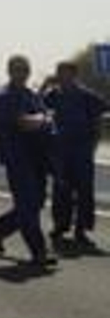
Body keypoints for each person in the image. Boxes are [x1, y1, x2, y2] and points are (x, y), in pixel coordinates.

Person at [0, 53, 57, 270]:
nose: (22, 73)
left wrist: (43, 118)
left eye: (25, 69)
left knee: (36, 202)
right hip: (18, 158)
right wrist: (43, 119)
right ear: (9, 71)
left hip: (38, 158)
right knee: (27, 205)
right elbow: (25, 123)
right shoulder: (5, 97)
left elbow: (44, 115)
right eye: (17, 69)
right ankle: (39, 252)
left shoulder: (30, 94)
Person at [42, 61, 106, 250]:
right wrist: (45, 85)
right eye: (59, 73)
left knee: (84, 191)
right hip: (60, 150)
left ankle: (81, 230)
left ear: (74, 75)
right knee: (61, 189)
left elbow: (99, 117)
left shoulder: (86, 96)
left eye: (66, 73)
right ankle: (60, 226)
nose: (62, 77)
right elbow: (35, 106)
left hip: (82, 150)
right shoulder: (54, 95)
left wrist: (94, 143)